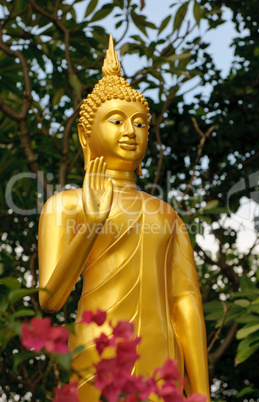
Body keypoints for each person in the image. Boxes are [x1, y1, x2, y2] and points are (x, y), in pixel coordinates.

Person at [38, 35, 210, 401]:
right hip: (99, 355)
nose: (130, 132)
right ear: (87, 134)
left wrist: (201, 391)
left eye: (140, 124)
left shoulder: (165, 213)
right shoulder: (67, 205)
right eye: (116, 121)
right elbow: (50, 298)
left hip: (163, 359)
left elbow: (186, 301)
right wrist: (92, 225)